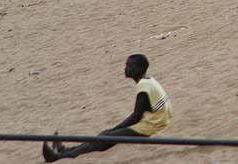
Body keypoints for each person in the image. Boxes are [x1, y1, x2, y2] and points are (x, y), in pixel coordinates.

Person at [42, 54, 172, 162]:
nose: (126, 69)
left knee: (106, 137)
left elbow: (136, 117)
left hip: (153, 125)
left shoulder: (143, 86)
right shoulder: (148, 80)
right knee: (106, 135)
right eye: (126, 65)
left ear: (140, 68)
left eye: (130, 66)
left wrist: (115, 129)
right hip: (156, 120)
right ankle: (67, 151)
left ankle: (59, 157)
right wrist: (114, 130)